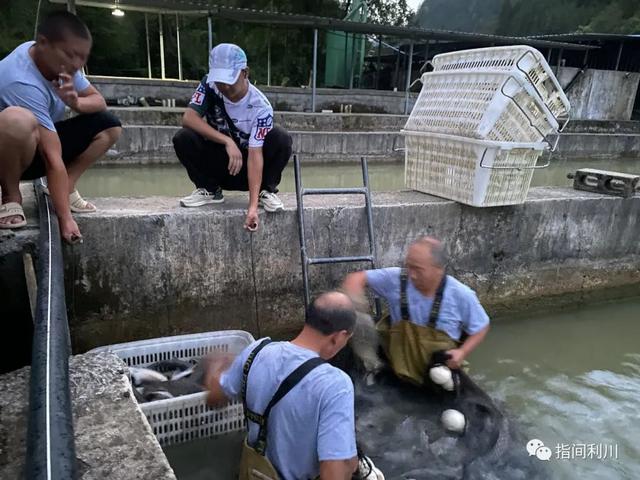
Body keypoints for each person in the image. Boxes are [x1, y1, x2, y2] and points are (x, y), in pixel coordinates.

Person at [205, 291, 360, 480]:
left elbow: (214, 399)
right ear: (339, 336)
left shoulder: (255, 351)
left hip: (251, 472)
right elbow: (332, 474)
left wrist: (214, 370)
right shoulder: (335, 384)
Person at [0, 11, 122, 243]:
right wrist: (65, 219)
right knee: (16, 119)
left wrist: (74, 101)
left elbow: (98, 101)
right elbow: (52, 157)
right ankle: (10, 196)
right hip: (9, 153)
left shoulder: (60, 62)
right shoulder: (21, 80)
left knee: (108, 124)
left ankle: (66, 187)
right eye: (71, 56)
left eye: (82, 58)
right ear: (44, 43)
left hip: (39, 141)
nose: (76, 64)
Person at [173, 43, 292, 232]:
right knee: (183, 137)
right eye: (220, 80)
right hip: (222, 163)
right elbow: (189, 118)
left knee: (281, 138)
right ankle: (210, 190)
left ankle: (264, 192)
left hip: (249, 171)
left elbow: (255, 154)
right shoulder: (210, 86)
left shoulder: (261, 107)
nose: (225, 86)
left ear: (245, 73)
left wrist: (251, 208)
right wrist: (226, 141)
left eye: (230, 80)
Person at [342, 236, 490, 385]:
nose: (411, 274)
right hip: (398, 366)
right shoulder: (396, 279)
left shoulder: (461, 295)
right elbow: (356, 278)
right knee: (360, 320)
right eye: (409, 266)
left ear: (438, 269)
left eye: (418, 269)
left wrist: (462, 352)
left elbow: (481, 327)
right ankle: (374, 369)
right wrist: (356, 301)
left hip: (439, 374)